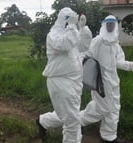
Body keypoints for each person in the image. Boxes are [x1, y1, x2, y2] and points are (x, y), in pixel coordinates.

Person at [80, 15, 133, 143]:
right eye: (107, 24)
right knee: (101, 109)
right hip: (100, 81)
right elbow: (86, 55)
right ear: (104, 25)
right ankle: (77, 121)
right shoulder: (98, 41)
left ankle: (109, 136)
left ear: (115, 26)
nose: (110, 26)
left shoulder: (115, 43)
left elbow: (119, 61)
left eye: (112, 24)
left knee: (114, 108)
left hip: (114, 81)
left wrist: (130, 65)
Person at [36, 7, 83, 143]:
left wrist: (82, 28)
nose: (70, 21)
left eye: (72, 18)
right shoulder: (53, 35)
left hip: (74, 81)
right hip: (61, 81)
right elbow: (65, 45)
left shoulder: (70, 32)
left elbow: (81, 49)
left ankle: (42, 121)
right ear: (62, 19)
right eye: (68, 18)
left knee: (69, 115)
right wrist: (73, 25)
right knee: (72, 120)